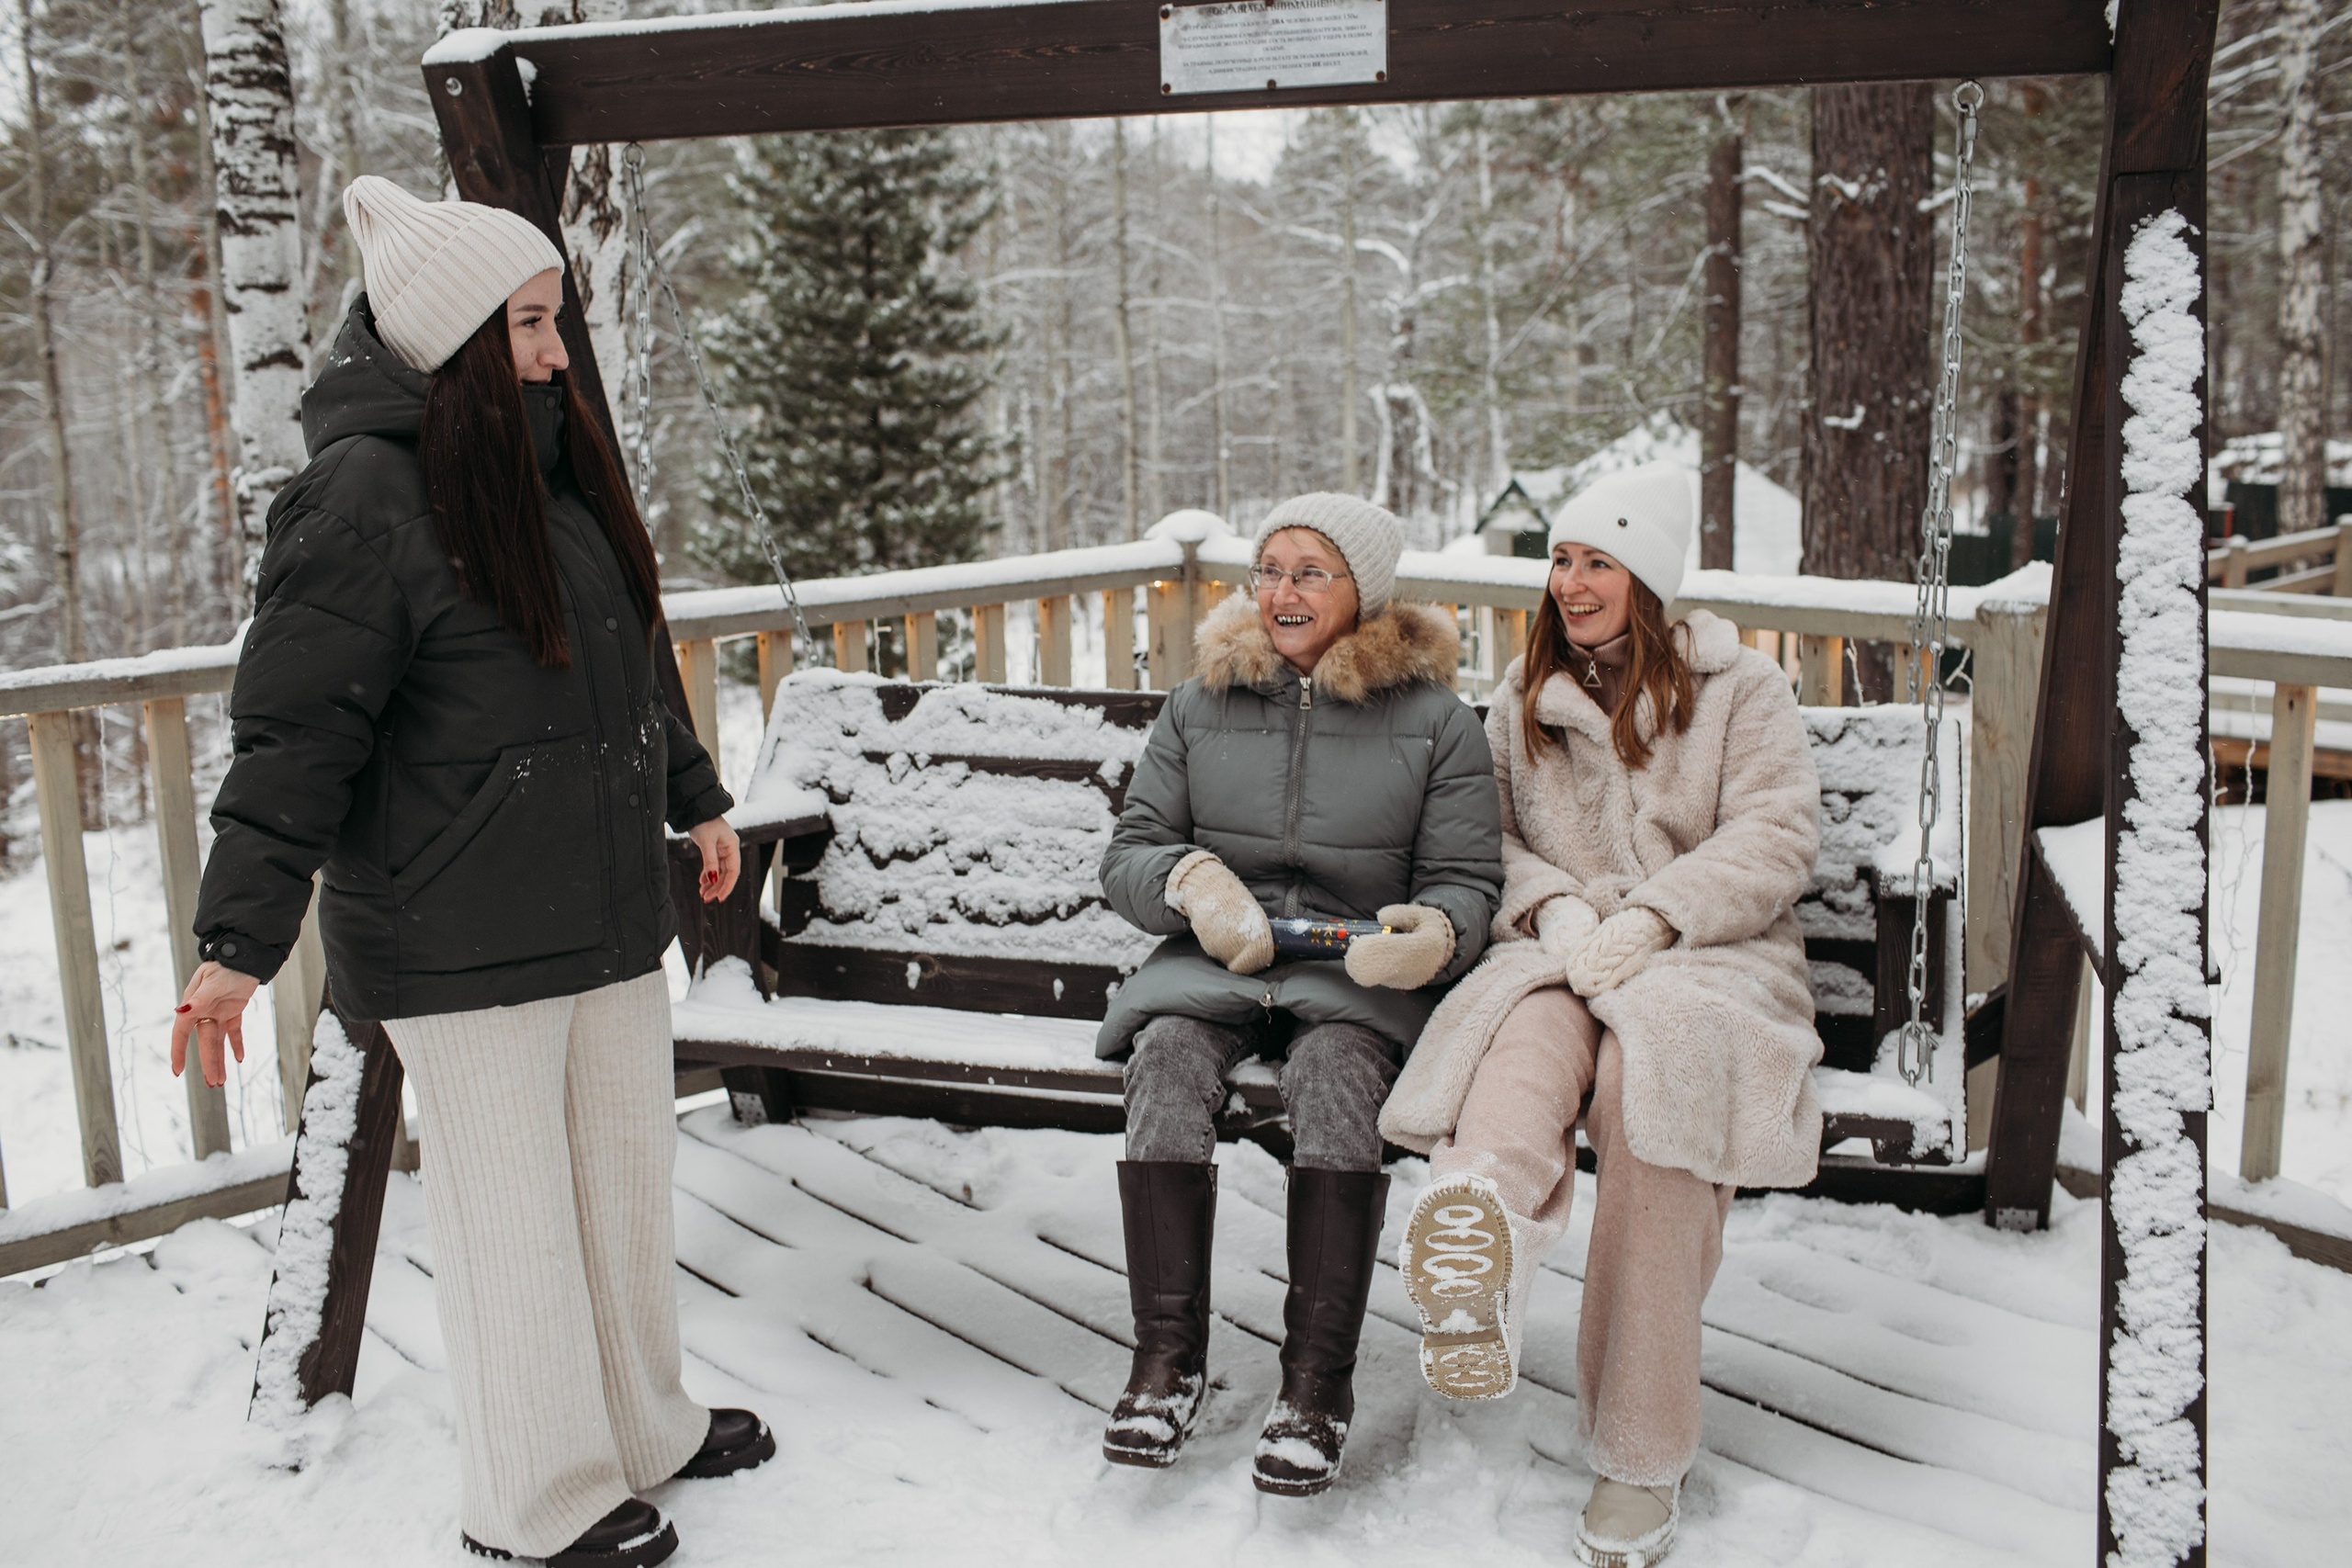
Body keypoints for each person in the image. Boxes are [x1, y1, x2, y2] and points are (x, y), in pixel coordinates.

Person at [171, 176, 772, 1568]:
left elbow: (622, 660)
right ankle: (534, 1499)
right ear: (450, 340)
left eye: (557, 317)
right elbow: (291, 739)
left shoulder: (540, 460)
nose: (560, 350)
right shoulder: (358, 496)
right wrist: (238, 940)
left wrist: (694, 796)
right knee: (515, 1228)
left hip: (605, 905)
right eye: (532, 324)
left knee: (624, 1190)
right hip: (458, 923)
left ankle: (644, 1421)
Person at [1379, 463, 1824, 1568]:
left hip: (1706, 963)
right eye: (1562, 560)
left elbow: (1775, 835)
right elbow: (1487, 842)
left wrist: (1661, 917)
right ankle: (1476, 1249)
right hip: (1559, 950)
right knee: (1522, 1042)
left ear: (1649, 580)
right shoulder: (1522, 696)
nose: (1570, 583)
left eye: (1598, 563)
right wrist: (1559, 906)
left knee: (1646, 1094)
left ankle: (1639, 1447)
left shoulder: (1742, 693)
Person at [1095, 494, 1503, 1494]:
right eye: (1269, 568)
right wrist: (1189, 883)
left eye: (1308, 571)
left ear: (1361, 592)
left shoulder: (1437, 724)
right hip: (1217, 962)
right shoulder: (1199, 705)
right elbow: (1132, 852)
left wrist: (1434, 936)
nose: (1281, 591)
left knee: (1333, 1084)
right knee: (1164, 1066)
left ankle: (1315, 1385)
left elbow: (1467, 880)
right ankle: (1164, 1360)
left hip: (1352, 976)